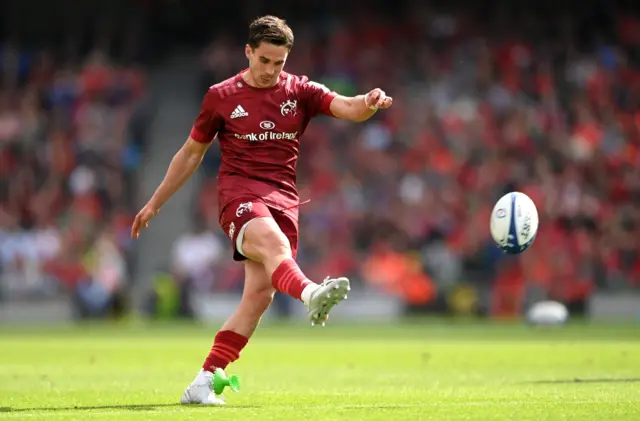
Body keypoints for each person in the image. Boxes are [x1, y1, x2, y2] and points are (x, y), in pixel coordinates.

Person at [131, 15, 393, 405]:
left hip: (283, 198)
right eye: (264, 60)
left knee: (258, 297)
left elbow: (348, 107)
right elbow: (190, 154)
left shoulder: (299, 90)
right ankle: (311, 293)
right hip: (239, 197)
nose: (271, 70)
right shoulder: (221, 96)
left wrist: (369, 103)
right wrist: (155, 202)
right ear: (249, 52)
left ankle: (203, 381)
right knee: (274, 247)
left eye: (279, 63)